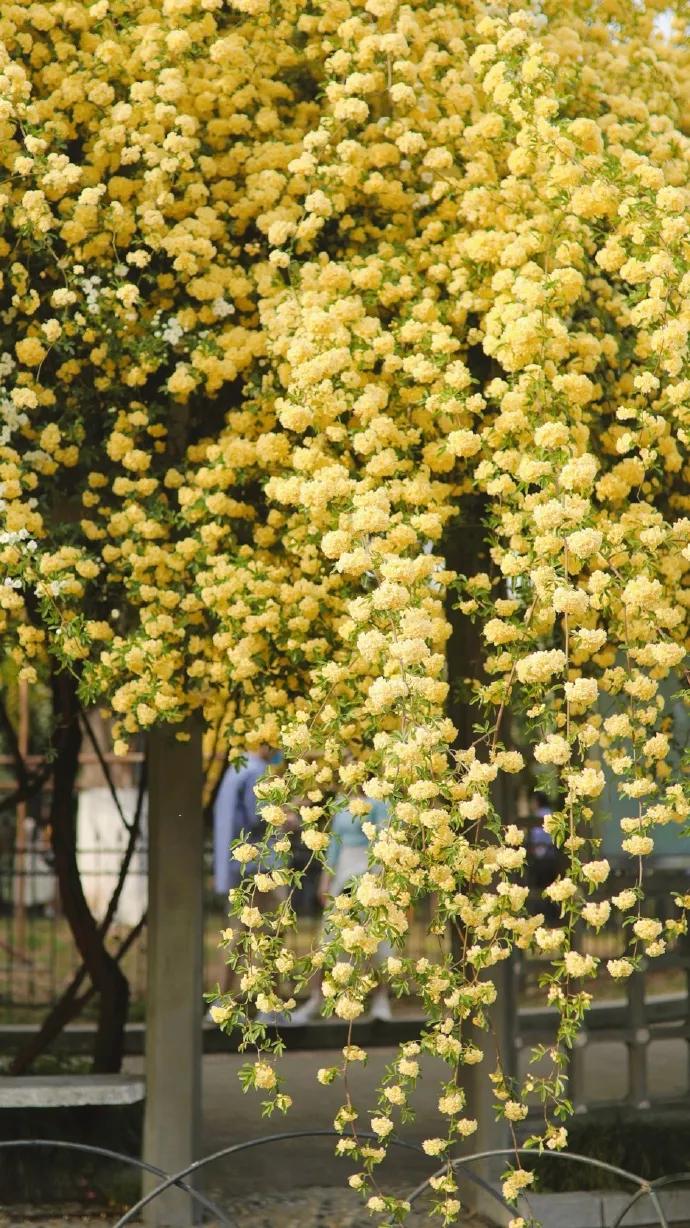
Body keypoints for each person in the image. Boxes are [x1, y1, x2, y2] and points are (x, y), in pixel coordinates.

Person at [288, 793, 393, 1024]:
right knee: (329, 937)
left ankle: (380, 999)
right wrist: (327, 876)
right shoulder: (340, 802)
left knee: (371, 937)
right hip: (343, 869)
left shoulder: (378, 802)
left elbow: (382, 841)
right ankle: (317, 998)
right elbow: (335, 844)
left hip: (367, 869)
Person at [212, 744, 275, 995]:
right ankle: (266, 1001)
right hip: (256, 868)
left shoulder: (235, 768)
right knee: (266, 933)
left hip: (235, 866)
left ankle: (223, 997)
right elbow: (258, 815)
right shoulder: (257, 771)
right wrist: (286, 814)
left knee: (236, 934)